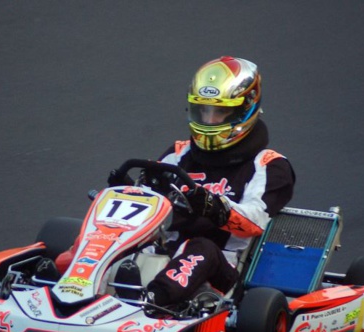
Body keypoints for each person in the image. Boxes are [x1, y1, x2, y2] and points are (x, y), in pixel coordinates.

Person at [110, 56, 296, 307]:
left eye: (220, 112)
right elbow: (148, 207)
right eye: (203, 111)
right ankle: (68, 281)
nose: (209, 121)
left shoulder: (268, 165)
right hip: (164, 251)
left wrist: (215, 207)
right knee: (113, 234)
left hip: (222, 268)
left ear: (245, 109)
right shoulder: (179, 153)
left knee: (203, 247)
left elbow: (256, 220)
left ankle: (152, 300)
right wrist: (128, 192)